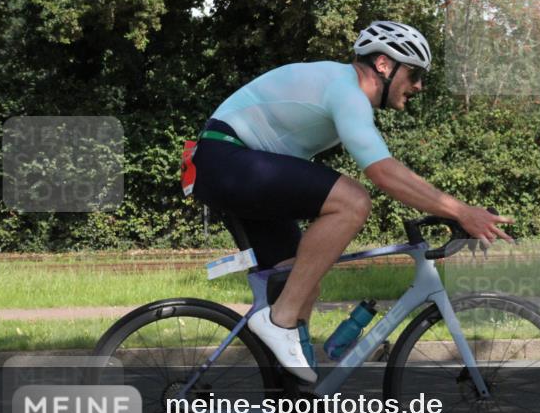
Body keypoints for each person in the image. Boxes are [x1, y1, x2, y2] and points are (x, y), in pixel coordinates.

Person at [191, 21, 513, 383]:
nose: (419, 85)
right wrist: (461, 211)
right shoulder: (346, 91)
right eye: (415, 73)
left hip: (236, 166)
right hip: (227, 159)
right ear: (383, 64)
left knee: (298, 283)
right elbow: (383, 173)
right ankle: (278, 321)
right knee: (353, 201)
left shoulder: (342, 90)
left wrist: (454, 211)